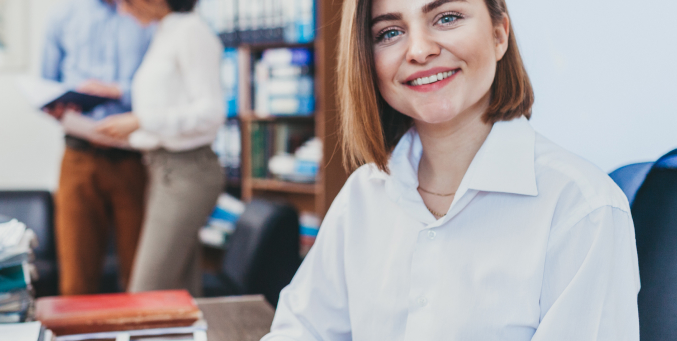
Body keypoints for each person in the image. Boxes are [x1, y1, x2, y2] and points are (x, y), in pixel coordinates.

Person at [263, 0, 640, 339]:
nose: (420, 50)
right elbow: (303, 329)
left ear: (498, 34)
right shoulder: (364, 194)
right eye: (390, 32)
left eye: (447, 17)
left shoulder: (582, 208)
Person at [96, 0, 225, 295]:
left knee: (146, 292)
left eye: (126, 2)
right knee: (180, 290)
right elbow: (168, 110)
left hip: (187, 173)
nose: (124, 11)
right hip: (162, 169)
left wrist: (141, 121)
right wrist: (129, 133)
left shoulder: (192, 31)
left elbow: (211, 112)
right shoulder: (166, 32)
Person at [41, 0, 156, 295]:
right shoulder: (64, 15)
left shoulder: (147, 14)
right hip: (78, 155)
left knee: (141, 275)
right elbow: (46, 83)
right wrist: (53, 104)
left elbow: (163, 86)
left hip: (134, 159)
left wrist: (118, 90)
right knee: (76, 275)